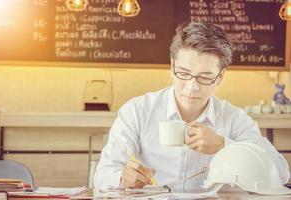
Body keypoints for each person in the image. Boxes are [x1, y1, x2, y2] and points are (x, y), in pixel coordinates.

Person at [94, 22, 290, 192]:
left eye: (205, 77)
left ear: (220, 76)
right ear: (171, 67)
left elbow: (281, 173)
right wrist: (122, 178)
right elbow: (102, 174)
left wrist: (225, 146)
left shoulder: (234, 119)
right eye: (184, 73)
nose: (192, 87)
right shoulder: (138, 111)